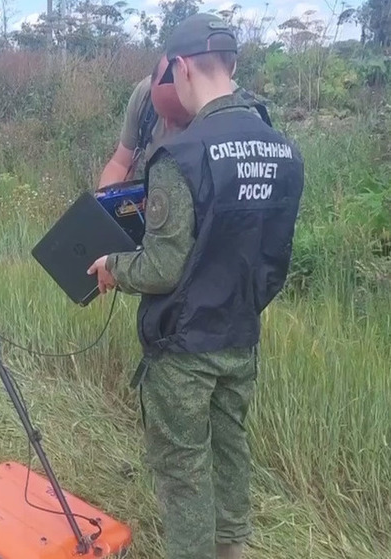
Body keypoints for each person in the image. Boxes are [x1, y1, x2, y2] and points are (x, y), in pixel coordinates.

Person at [87, 12, 305, 559]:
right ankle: (232, 549)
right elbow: (274, 260)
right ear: (231, 66)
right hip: (240, 337)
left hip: (183, 349)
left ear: (180, 68)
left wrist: (113, 266)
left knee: (183, 472)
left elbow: (162, 267)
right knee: (231, 450)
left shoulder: (180, 156)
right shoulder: (284, 151)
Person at [97, 55, 272, 190]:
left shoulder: (240, 120)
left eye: (178, 120)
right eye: (161, 114)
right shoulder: (145, 95)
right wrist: (104, 205)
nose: (167, 126)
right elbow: (120, 163)